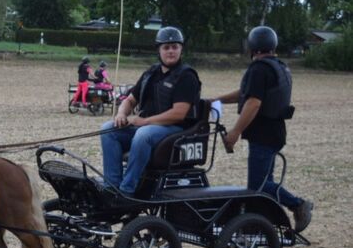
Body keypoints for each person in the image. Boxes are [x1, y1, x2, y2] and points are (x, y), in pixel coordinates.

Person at [212, 25, 313, 232]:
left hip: (263, 135)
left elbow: (253, 102)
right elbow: (245, 93)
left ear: (253, 47)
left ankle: (297, 204)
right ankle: (263, 225)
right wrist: (217, 100)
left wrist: (235, 132)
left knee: (258, 187)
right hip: (274, 132)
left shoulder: (259, 69)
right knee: (265, 183)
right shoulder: (277, 66)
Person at [100, 26, 201, 201]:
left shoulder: (186, 76)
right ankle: (112, 186)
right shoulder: (151, 73)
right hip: (148, 127)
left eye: (175, 47)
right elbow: (130, 100)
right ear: (159, 50)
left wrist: (145, 121)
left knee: (143, 134)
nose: (170, 51)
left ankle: (127, 190)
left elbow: (179, 113)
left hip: (174, 130)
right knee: (108, 130)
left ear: (181, 49)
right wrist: (121, 114)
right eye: (166, 47)